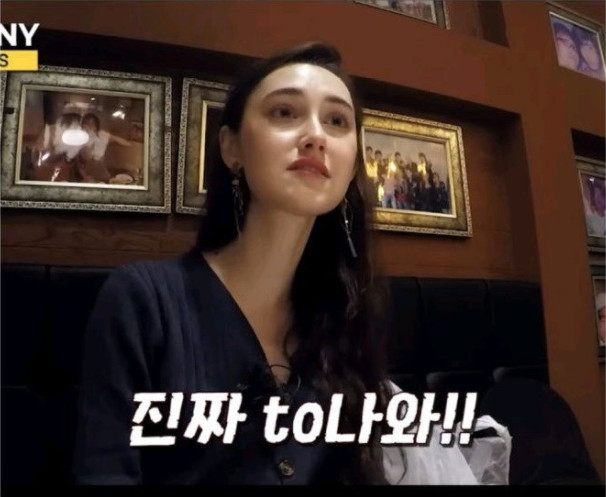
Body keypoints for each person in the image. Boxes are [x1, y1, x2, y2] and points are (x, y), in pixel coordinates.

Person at [72, 42, 486, 485]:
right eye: (284, 112)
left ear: (351, 168)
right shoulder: (145, 301)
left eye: (337, 121)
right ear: (231, 148)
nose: (316, 136)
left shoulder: (343, 316)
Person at [78, 113, 131, 183]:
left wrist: (129, 145)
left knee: (110, 181)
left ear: (96, 126)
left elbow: (118, 140)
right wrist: (85, 176)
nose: (87, 127)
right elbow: (81, 160)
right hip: (86, 169)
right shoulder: (81, 138)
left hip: (101, 167)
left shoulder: (102, 134)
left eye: (90, 124)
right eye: (85, 124)